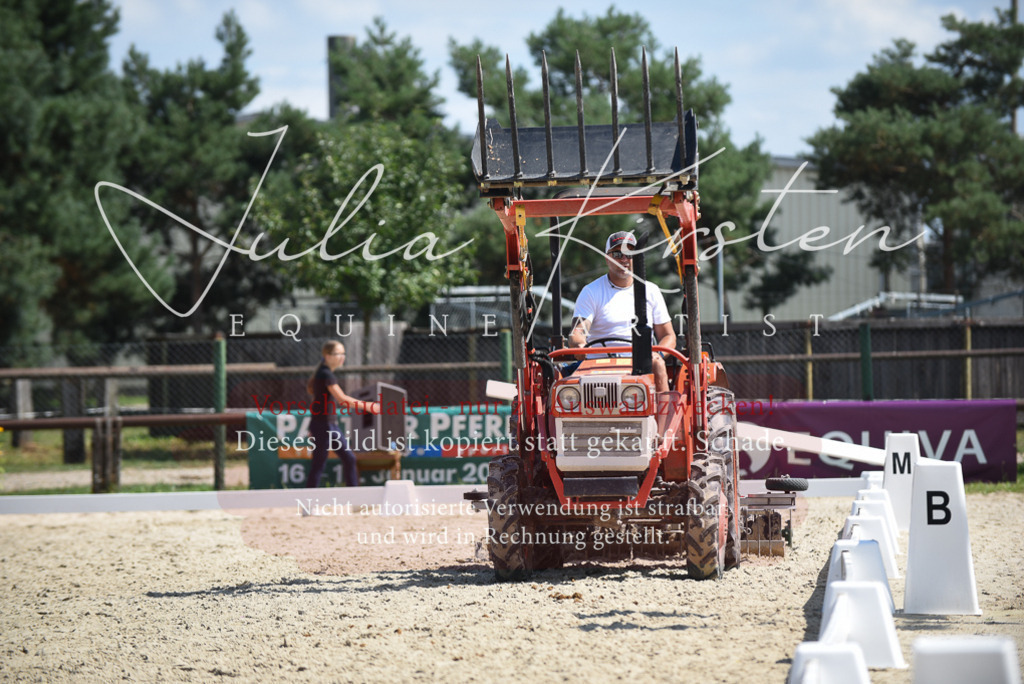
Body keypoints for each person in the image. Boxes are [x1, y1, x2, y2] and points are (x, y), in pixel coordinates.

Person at [568, 231, 677, 392]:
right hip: (599, 365)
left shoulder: (651, 291)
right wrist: (580, 344)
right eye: (617, 254)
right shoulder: (591, 291)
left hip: (640, 363)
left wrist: (657, 354)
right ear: (607, 258)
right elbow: (578, 332)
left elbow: (668, 336)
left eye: (629, 254)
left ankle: (663, 408)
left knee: (658, 364)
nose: (624, 259)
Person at [304, 341, 381, 489]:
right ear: (327, 356)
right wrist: (368, 406)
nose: (342, 357)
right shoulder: (325, 374)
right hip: (323, 426)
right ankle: (308, 500)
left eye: (343, 353)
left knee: (349, 458)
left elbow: (317, 402)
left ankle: (354, 496)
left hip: (329, 425)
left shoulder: (325, 374)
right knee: (319, 464)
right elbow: (342, 399)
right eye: (338, 353)